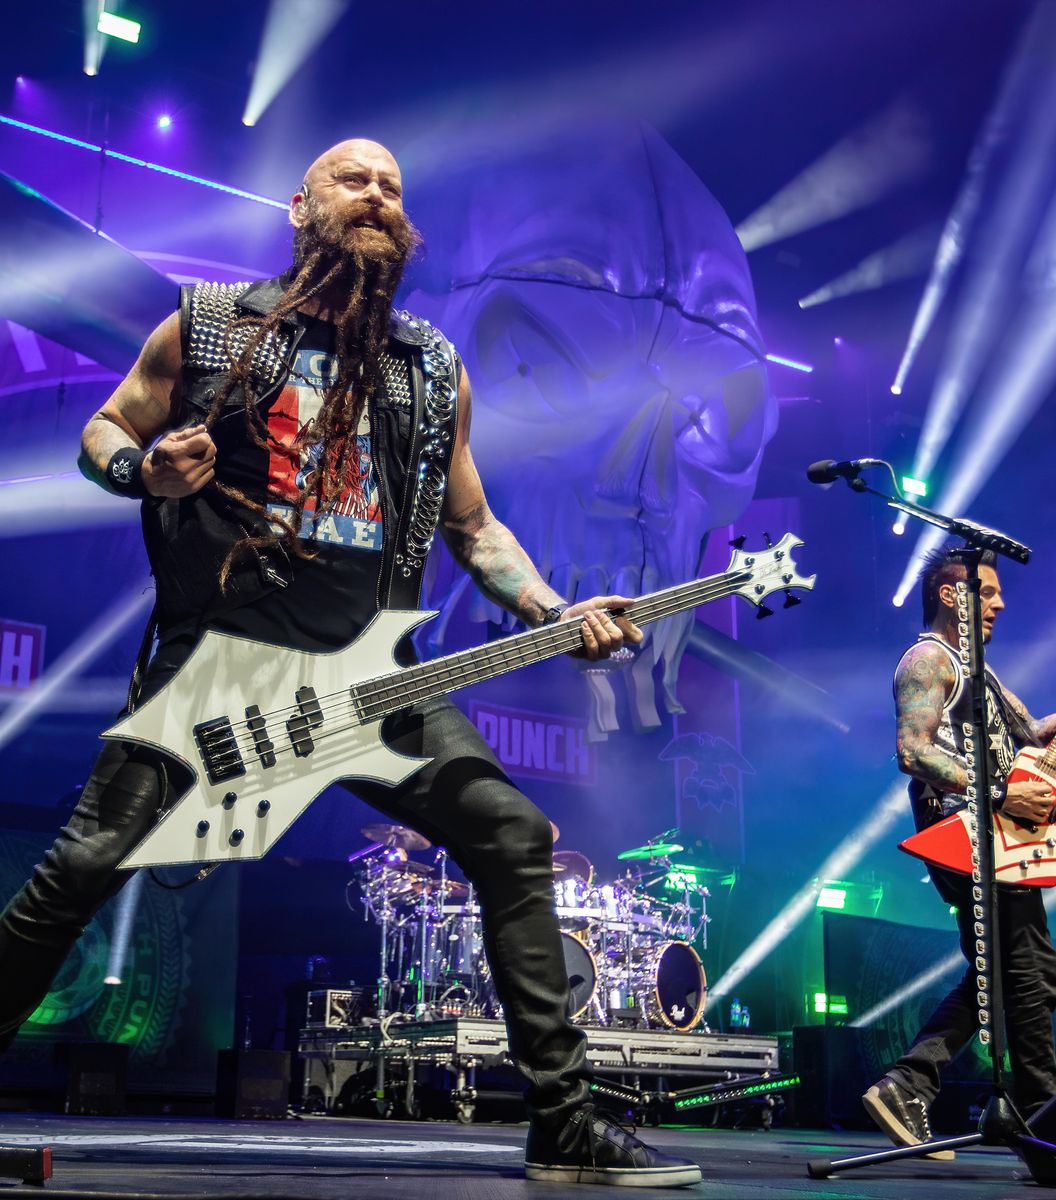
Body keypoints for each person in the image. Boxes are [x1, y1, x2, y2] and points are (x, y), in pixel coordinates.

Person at [0, 139, 700, 1187]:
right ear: (300, 207)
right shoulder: (208, 325)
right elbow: (105, 430)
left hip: (369, 680)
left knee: (511, 835)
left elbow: (475, 527)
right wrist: (144, 469)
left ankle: (561, 1123)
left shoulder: (432, 367)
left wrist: (555, 611)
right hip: (223, 670)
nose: (376, 195)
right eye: (353, 180)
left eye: (392, 187)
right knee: (80, 868)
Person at [862, 545, 1056, 1158]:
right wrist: (1002, 792)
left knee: (1002, 971)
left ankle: (910, 1083)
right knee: (1029, 972)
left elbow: (1033, 738)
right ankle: (1046, 1124)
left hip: (996, 833)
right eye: (988, 592)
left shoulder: (980, 676)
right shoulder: (928, 659)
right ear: (952, 595)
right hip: (964, 832)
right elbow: (912, 750)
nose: (1001, 604)